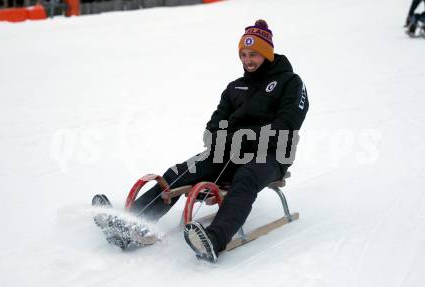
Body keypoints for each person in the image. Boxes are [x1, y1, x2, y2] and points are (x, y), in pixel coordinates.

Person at [126, 19, 309, 263]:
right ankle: (132, 221)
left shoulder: (291, 83)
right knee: (180, 171)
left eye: (253, 54)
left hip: (272, 153)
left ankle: (214, 239)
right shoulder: (235, 87)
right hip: (229, 151)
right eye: (243, 54)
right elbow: (215, 123)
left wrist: (247, 139)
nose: (247, 60)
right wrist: (218, 140)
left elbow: (287, 124)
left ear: (267, 53)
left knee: (246, 178)